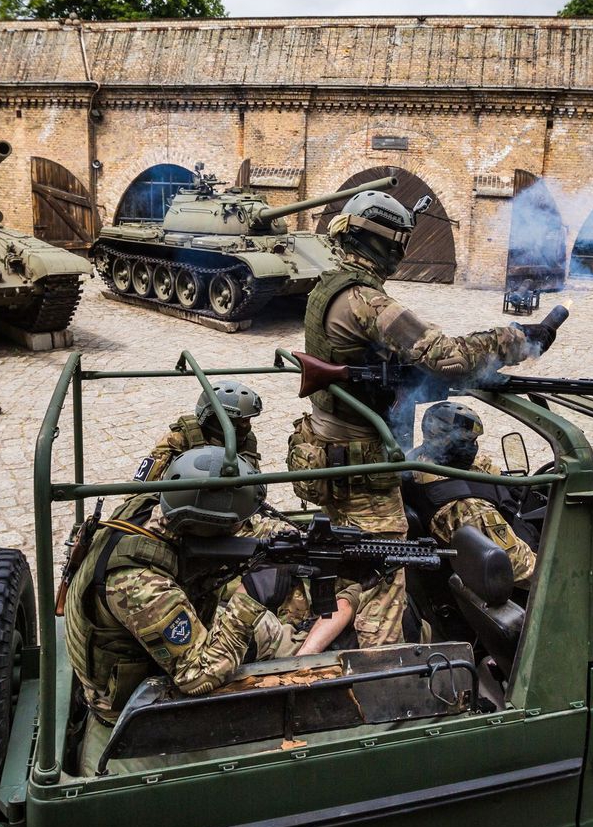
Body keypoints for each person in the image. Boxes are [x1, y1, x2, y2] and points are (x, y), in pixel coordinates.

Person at [289, 187, 556, 647]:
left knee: (355, 557)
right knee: (383, 574)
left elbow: (374, 367)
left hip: (327, 449)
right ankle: (381, 679)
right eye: (399, 242)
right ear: (386, 244)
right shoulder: (365, 300)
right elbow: (448, 355)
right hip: (359, 466)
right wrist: (518, 339)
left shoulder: (328, 285)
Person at [64, 447, 344, 740]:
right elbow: (197, 677)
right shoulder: (138, 584)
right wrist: (249, 598)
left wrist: (295, 543)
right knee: (272, 653)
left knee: (270, 631)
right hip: (137, 699)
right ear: (207, 527)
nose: (240, 527)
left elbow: (246, 527)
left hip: (156, 647)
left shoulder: (160, 502)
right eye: (233, 524)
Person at [405, 401, 537, 585]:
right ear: (444, 443)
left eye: (474, 441)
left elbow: (482, 465)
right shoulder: (470, 510)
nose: (473, 448)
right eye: (466, 443)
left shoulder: (418, 461)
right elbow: (522, 568)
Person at [136, 380, 262, 482]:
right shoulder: (178, 439)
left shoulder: (246, 441)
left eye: (248, 420)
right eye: (242, 421)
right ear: (215, 419)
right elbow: (142, 490)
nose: (247, 427)